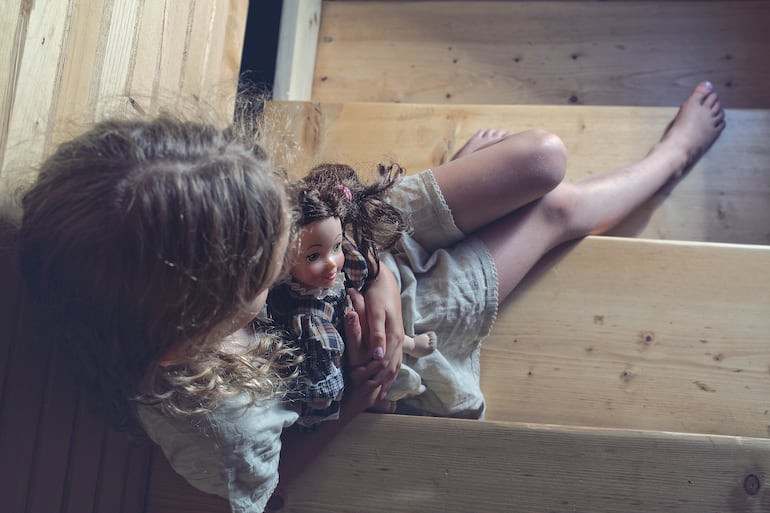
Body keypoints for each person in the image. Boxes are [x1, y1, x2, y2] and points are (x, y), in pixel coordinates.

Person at [17, 81, 725, 512]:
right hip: (379, 340)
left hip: (359, 247)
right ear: (193, 327)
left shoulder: (201, 223)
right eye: (266, 275)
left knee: (543, 157)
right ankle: (670, 159)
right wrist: (365, 387)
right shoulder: (217, 423)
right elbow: (266, 486)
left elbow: (325, 237)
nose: (277, 271)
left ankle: (439, 197)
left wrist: (370, 263)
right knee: (552, 211)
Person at [267, 162, 436, 428]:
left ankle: (410, 344)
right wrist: (353, 400)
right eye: (313, 256)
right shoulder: (309, 320)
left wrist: (380, 278)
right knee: (373, 350)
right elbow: (325, 372)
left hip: (358, 309)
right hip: (347, 357)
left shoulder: (334, 256)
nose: (332, 262)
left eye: (335, 247)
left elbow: (364, 266)